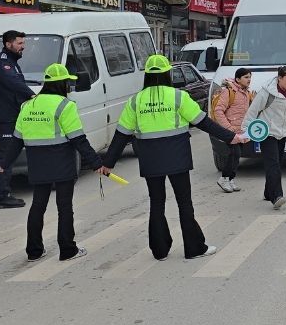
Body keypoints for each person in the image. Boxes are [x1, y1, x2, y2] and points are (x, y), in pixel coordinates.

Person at [103, 54, 247, 260]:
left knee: (157, 202)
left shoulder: (135, 101)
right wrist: (231, 137)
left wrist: (108, 163)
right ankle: (194, 248)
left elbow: (121, 135)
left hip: (150, 159)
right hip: (177, 156)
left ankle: (160, 251)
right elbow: (203, 122)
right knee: (184, 202)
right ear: (167, 74)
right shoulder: (178, 96)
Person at [8, 64, 109, 262]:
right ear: (61, 84)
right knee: (64, 206)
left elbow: (16, 139)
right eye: (67, 83)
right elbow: (78, 139)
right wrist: (97, 163)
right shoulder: (65, 105)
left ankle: (34, 251)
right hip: (62, 161)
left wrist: (4, 163)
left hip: (37, 162)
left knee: (38, 205)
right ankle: (67, 250)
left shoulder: (28, 105)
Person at [243, 66, 286, 210]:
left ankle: (268, 191)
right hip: (267, 133)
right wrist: (245, 132)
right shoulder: (266, 93)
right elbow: (252, 111)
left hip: (282, 133)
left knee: (277, 163)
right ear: (280, 78)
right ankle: (277, 196)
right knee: (273, 164)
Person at [0, 30, 34, 208]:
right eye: (20, 43)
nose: (23, 47)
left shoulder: (11, 61)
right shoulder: (3, 62)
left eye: (23, 43)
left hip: (13, 114)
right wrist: (32, 96)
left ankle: (4, 193)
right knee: (6, 156)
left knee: (11, 154)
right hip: (6, 116)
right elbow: (13, 83)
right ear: (9, 44)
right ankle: (1, 196)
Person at [212, 67, 253, 193]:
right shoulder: (229, 92)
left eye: (250, 77)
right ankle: (224, 178)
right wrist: (228, 128)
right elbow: (218, 110)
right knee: (235, 154)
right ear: (238, 79)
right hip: (230, 131)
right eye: (246, 77)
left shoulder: (246, 93)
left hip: (240, 131)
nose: (249, 80)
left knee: (236, 155)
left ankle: (230, 179)